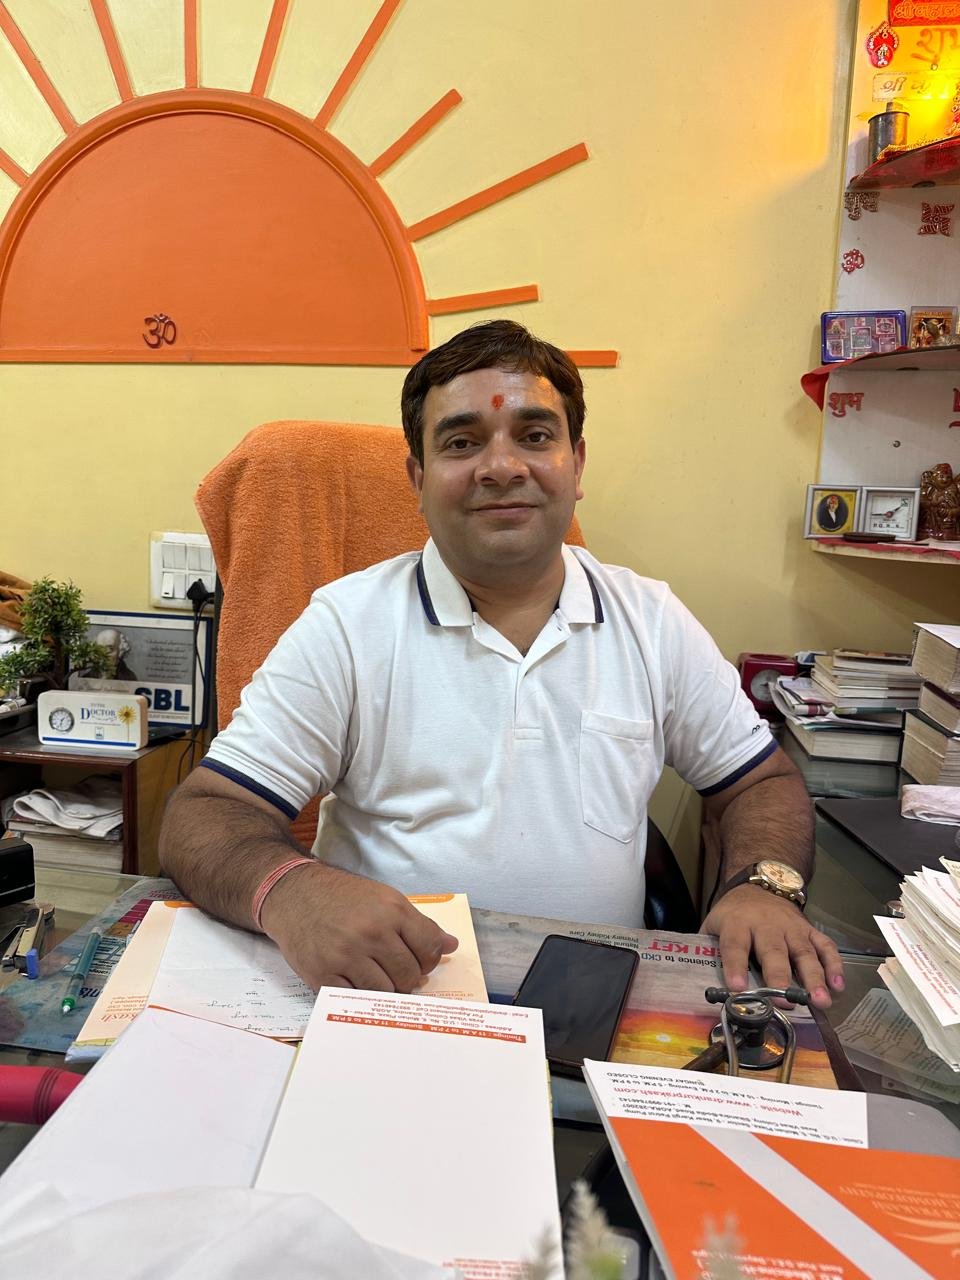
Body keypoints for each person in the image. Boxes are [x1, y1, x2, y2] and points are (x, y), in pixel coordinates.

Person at [160, 321, 843, 1009]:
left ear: (576, 466)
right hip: (392, 994)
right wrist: (290, 890)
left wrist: (765, 884)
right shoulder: (347, 624)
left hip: (596, 1007)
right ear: (418, 479)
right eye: (461, 442)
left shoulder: (652, 620)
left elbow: (761, 783)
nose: (501, 467)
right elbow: (208, 812)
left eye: (535, 436)